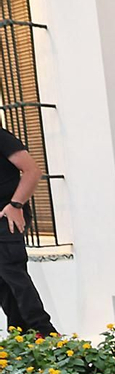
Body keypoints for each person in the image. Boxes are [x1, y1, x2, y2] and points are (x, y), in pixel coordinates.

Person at [0, 125, 56, 336]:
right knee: (5, 285)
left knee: (13, 275)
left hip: (7, 218)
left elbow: (33, 170)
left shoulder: (2, 137)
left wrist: (16, 205)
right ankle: (21, 337)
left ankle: (46, 333)